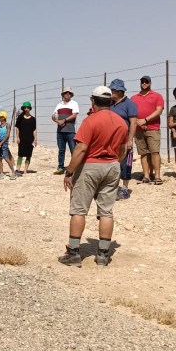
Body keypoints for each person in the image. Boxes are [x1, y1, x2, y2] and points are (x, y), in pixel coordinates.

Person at [58, 86, 129, 268]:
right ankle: (103, 254)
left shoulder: (91, 121)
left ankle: (74, 253)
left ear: (93, 101)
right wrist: (114, 162)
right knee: (106, 211)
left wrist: (69, 172)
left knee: (79, 210)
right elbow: (123, 149)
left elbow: (81, 149)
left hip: (90, 166)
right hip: (112, 166)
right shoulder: (121, 123)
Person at [131, 75, 165, 184]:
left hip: (153, 128)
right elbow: (131, 113)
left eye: (146, 81)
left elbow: (159, 111)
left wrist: (145, 120)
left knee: (155, 152)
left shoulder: (157, 96)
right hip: (139, 129)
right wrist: (139, 123)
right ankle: (146, 176)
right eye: (142, 81)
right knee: (143, 153)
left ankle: (157, 176)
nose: (144, 83)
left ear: (150, 83)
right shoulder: (134, 98)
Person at [109, 79, 138, 200]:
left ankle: (125, 188)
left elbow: (133, 123)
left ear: (119, 91)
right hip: (111, 139)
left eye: (113, 90)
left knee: (126, 164)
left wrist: (130, 140)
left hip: (124, 139)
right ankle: (113, 188)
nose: (111, 92)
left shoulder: (129, 104)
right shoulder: (109, 104)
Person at [52, 87, 80, 175]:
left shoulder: (74, 103)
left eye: (69, 93)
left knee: (73, 150)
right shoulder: (58, 105)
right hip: (60, 131)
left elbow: (74, 115)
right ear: (63, 94)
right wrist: (57, 121)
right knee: (61, 150)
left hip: (70, 131)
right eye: (65, 93)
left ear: (71, 95)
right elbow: (53, 115)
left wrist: (64, 120)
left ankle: (74, 168)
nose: (67, 94)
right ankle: (60, 167)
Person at [13, 101, 37, 176]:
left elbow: (34, 130)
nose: (26, 109)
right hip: (22, 139)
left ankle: (25, 171)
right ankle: (18, 169)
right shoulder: (20, 118)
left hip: (30, 139)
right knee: (20, 154)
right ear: (23, 108)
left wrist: (35, 139)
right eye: (25, 108)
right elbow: (17, 128)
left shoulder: (33, 119)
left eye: (27, 108)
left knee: (28, 155)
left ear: (30, 108)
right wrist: (17, 137)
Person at [0, 111, 15, 179]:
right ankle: (1, 173)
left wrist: (1, 143)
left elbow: (7, 135)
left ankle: (13, 173)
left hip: (4, 143)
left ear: (3, 117)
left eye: (0, 116)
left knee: (6, 157)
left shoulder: (7, 125)